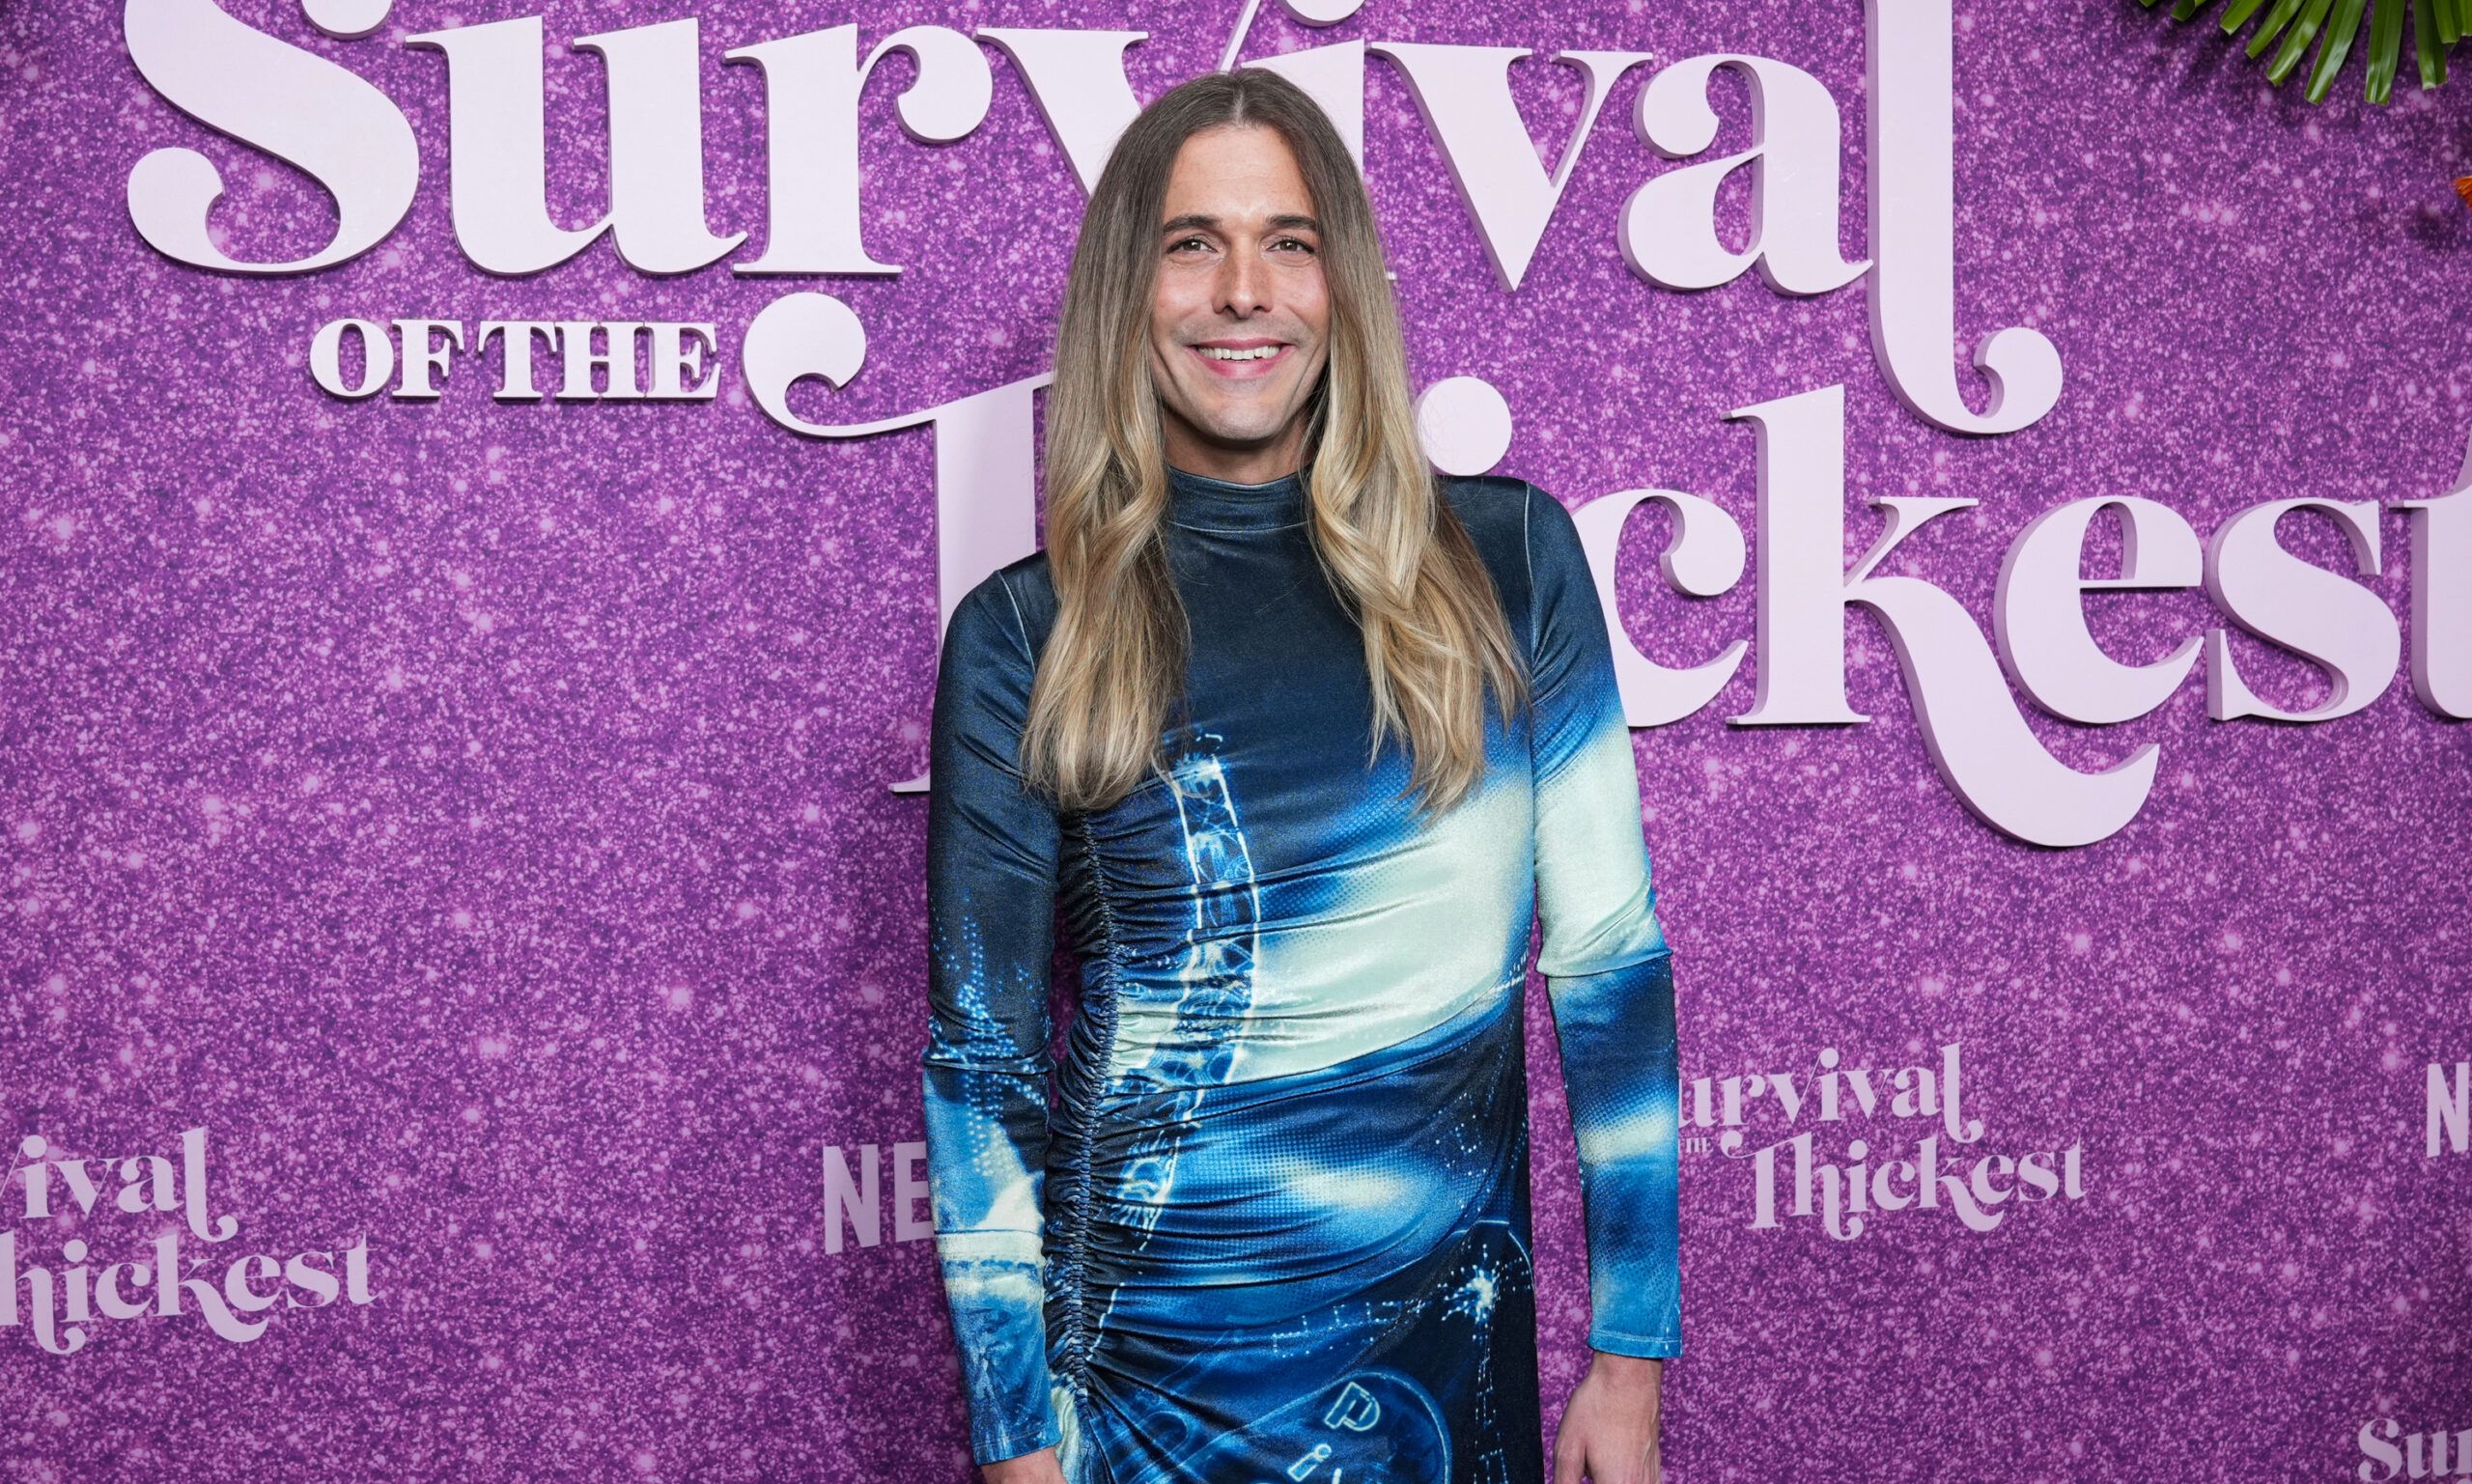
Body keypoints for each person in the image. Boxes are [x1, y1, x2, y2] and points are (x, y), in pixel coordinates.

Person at [920, 66, 1679, 1484]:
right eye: (1190, 244)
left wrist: (1629, 1353)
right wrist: (1019, 1442)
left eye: (1289, 241)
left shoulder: (1512, 561)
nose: (1242, 292)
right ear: (1127, 294)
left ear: (1344, 285)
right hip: (1137, 1387)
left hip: (1448, 1369)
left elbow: (1609, 963)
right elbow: (985, 1062)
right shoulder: (1027, 632)